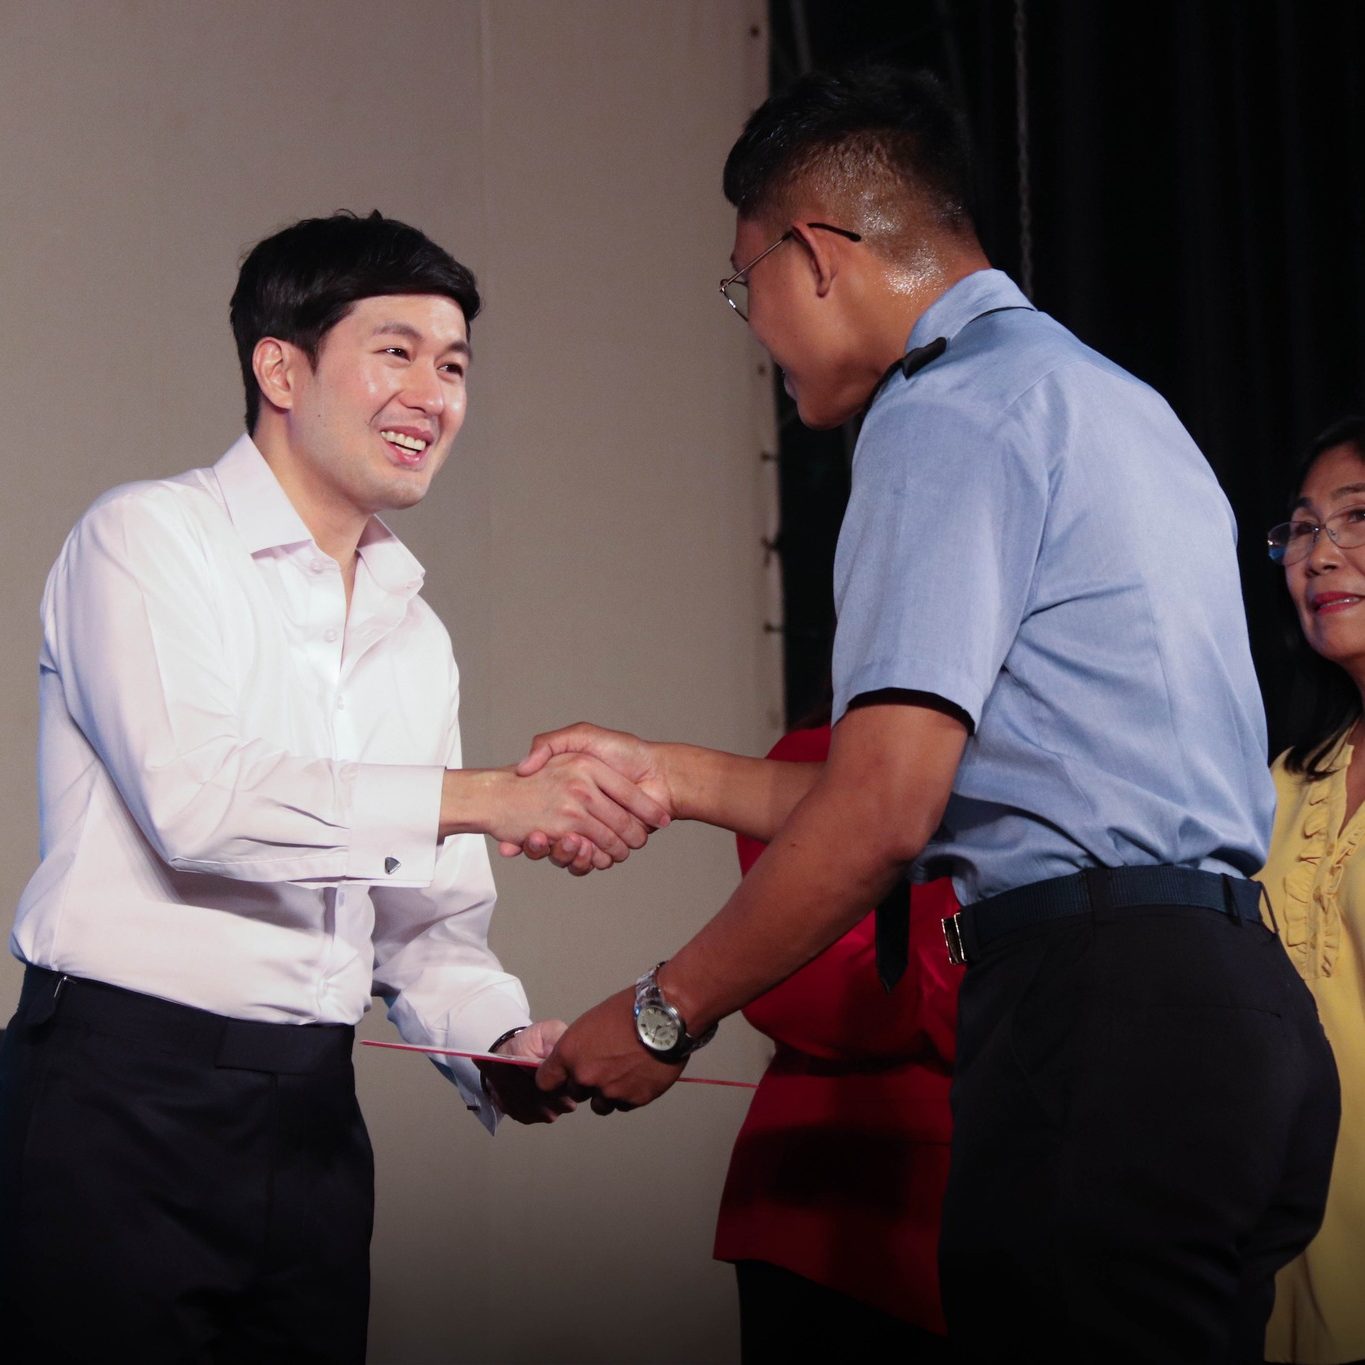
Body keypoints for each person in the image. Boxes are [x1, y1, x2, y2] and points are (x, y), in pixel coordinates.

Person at [510, 67, 1340, 1362]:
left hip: (1097, 1018)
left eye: (743, 282)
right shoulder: (1113, 402)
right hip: (1242, 1019)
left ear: (816, 255)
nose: (750, 323)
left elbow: (884, 814)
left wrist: (665, 1010)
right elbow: (980, 781)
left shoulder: (943, 407)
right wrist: (666, 773)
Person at [0, 211, 667, 1364]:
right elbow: (199, 804)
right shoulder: (146, 539)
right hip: (118, 1099)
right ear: (280, 368)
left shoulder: (418, 636)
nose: (433, 394)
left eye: (453, 365)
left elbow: (422, 922)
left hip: (313, 1119)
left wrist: (501, 1043)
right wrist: (484, 798)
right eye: (395, 351)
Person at [713, 721, 962, 1362]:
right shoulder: (822, 758)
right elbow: (808, 988)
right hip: (839, 1212)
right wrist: (992, 977)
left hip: (1036, 1208)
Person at [1261, 415, 1365, 1365]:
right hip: (1276, 1275)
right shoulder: (1281, 780)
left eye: (1357, 517)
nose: (1320, 553)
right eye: (1300, 528)